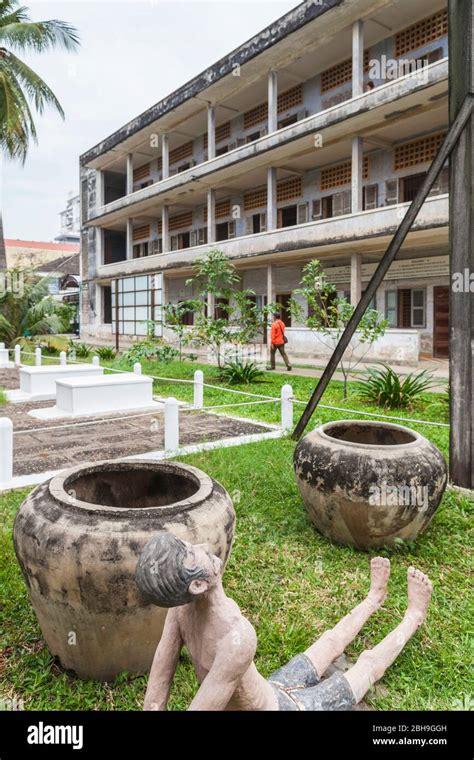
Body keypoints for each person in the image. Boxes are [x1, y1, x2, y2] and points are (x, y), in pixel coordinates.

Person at [136, 533, 433, 711]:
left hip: (271, 689)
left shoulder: (188, 613)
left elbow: (159, 685)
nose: (201, 545)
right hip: (290, 707)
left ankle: (373, 599)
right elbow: (166, 682)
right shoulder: (235, 638)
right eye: (192, 553)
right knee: (367, 665)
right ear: (197, 586)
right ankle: (413, 616)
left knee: (329, 642)